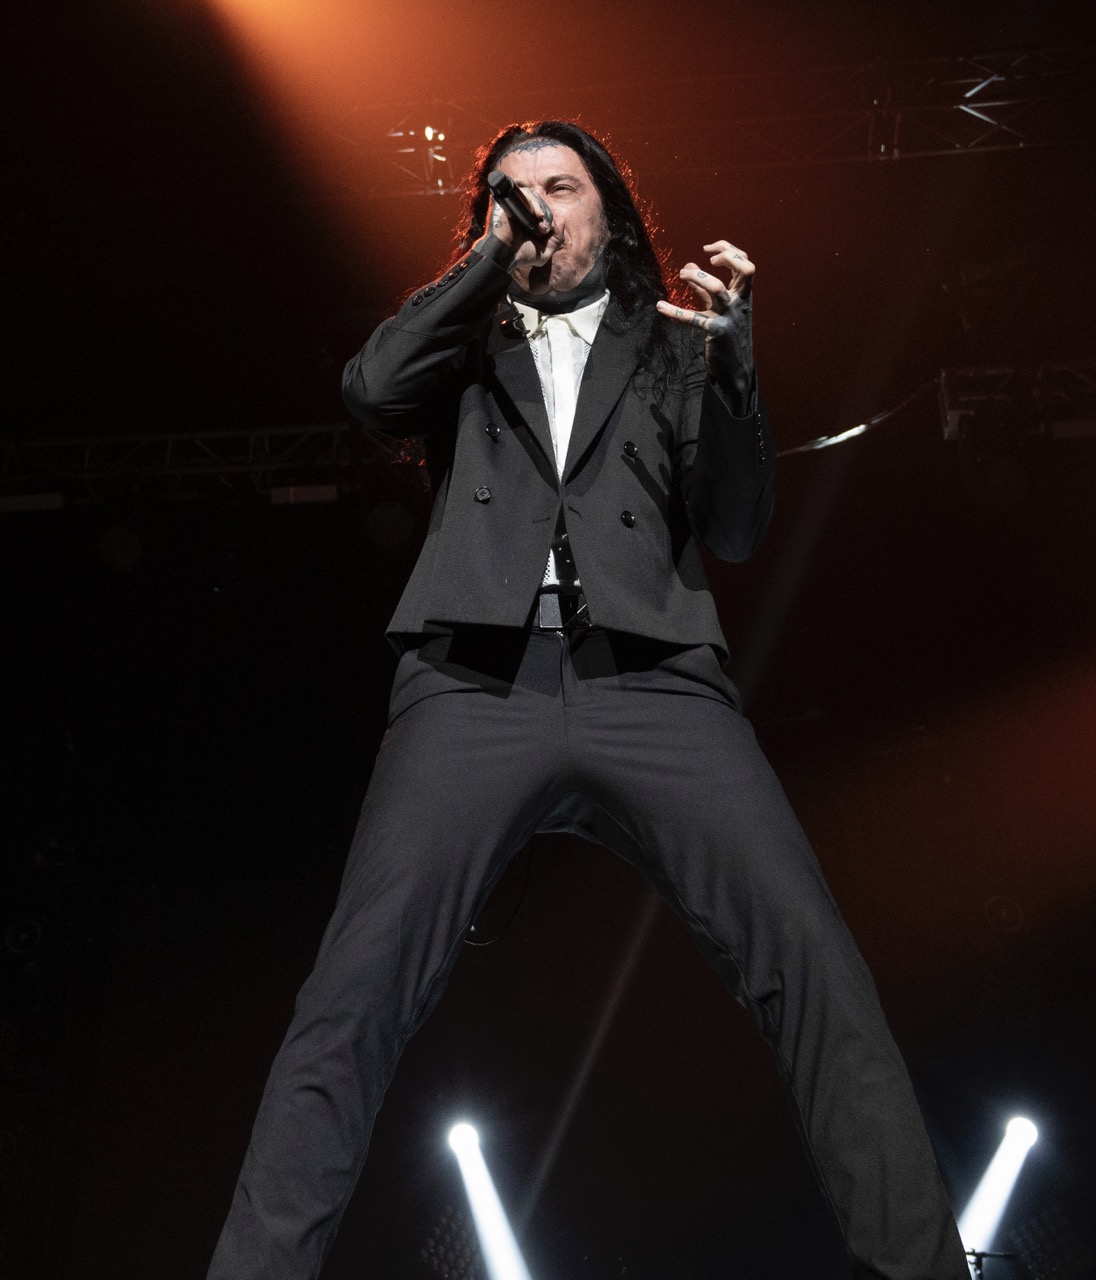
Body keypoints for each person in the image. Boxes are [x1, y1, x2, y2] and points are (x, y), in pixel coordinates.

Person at [208, 119, 968, 1280]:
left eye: (559, 186)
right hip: (472, 684)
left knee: (814, 968)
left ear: (609, 210)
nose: (535, 206)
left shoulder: (670, 340)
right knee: (351, 995)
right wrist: (483, 264)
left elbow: (736, 526)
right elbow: (370, 389)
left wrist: (735, 367)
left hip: (654, 680)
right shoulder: (462, 338)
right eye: (507, 193)